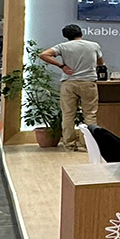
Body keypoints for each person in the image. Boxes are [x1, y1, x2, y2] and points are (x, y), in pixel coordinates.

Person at [39, 24, 104, 152]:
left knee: (68, 115)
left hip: (69, 83)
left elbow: (43, 54)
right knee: (90, 115)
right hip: (88, 82)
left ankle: (69, 145)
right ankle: (89, 144)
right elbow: (100, 62)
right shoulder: (94, 45)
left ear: (66, 36)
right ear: (81, 33)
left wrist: (61, 66)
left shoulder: (63, 46)